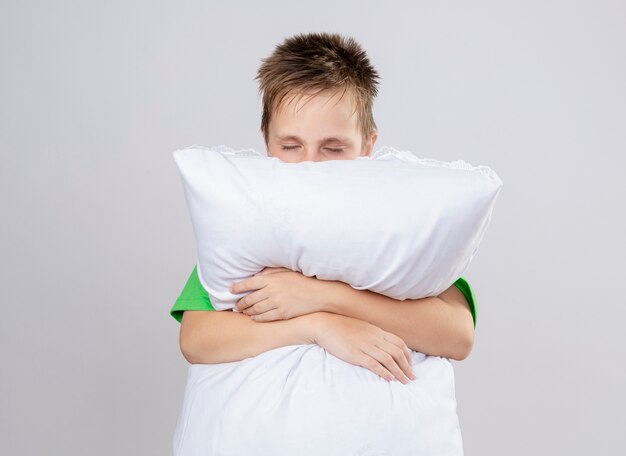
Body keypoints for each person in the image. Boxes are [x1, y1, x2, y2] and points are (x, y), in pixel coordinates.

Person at [170, 32, 478, 385]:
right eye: (291, 146)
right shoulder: (249, 220)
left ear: (367, 146)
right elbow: (196, 338)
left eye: (333, 148)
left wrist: (321, 296)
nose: (310, 165)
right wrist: (319, 326)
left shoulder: (394, 218)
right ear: (266, 143)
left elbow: (457, 335)